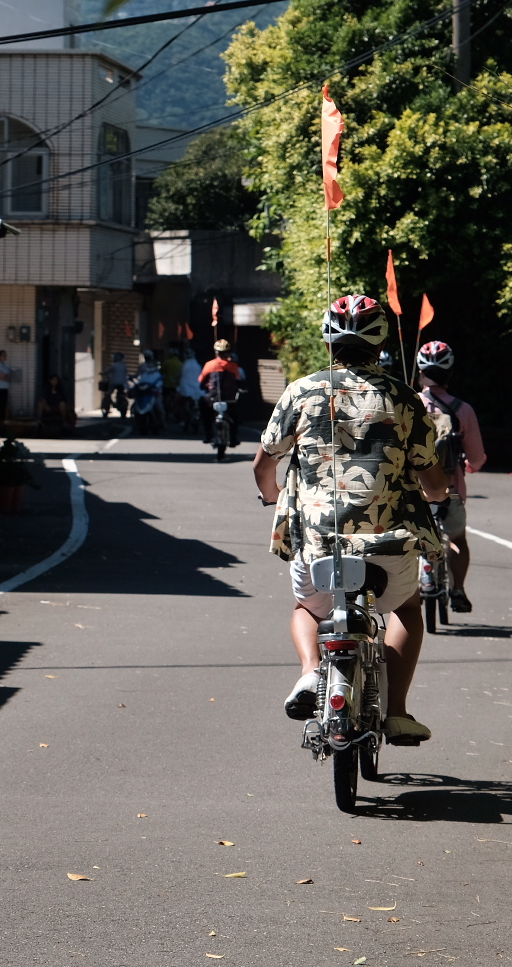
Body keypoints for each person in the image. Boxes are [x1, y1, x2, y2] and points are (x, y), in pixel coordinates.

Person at [252, 295, 451, 745]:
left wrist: (273, 496)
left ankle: (308, 674)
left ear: (328, 340)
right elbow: (430, 475)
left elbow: (264, 466)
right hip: (390, 547)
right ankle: (397, 711)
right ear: (380, 340)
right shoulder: (403, 397)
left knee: (308, 607)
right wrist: (439, 495)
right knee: (406, 610)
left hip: (319, 544)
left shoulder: (301, 390)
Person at [415, 340, 489, 613]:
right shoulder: (463, 410)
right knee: (457, 540)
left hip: (414, 490)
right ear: (450, 373)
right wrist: (470, 466)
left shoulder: (409, 405)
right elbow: (477, 457)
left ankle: (422, 573)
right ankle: (457, 590)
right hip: (451, 489)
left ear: (421, 372)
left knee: (408, 539)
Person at [199, 339, 245, 441]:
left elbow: (201, 381)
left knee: (204, 412)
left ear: (216, 352)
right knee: (235, 417)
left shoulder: (209, 364)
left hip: (212, 398)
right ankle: (233, 437)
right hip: (230, 399)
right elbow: (239, 381)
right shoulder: (233, 366)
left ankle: (208, 434)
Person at [176, 345, 205, 432]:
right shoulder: (197, 365)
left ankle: (182, 420)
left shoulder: (185, 365)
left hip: (185, 389)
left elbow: (179, 376)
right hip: (197, 390)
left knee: (180, 404)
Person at [0, 349, 18, 427]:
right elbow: (1, 376)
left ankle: (2, 421)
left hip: (5, 388)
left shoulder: (5, 365)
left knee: (3, 405)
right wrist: (9, 378)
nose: (4, 357)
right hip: (0, 388)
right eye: (3, 355)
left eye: (5, 355)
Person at [100, 351, 129, 418]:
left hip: (113, 383)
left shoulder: (114, 365)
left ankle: (107, 407)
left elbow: (107, 371)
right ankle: (121, 406)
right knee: (121, 394)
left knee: (108, 394)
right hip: (122, 384)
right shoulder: (124, 366)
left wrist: (102, 373)